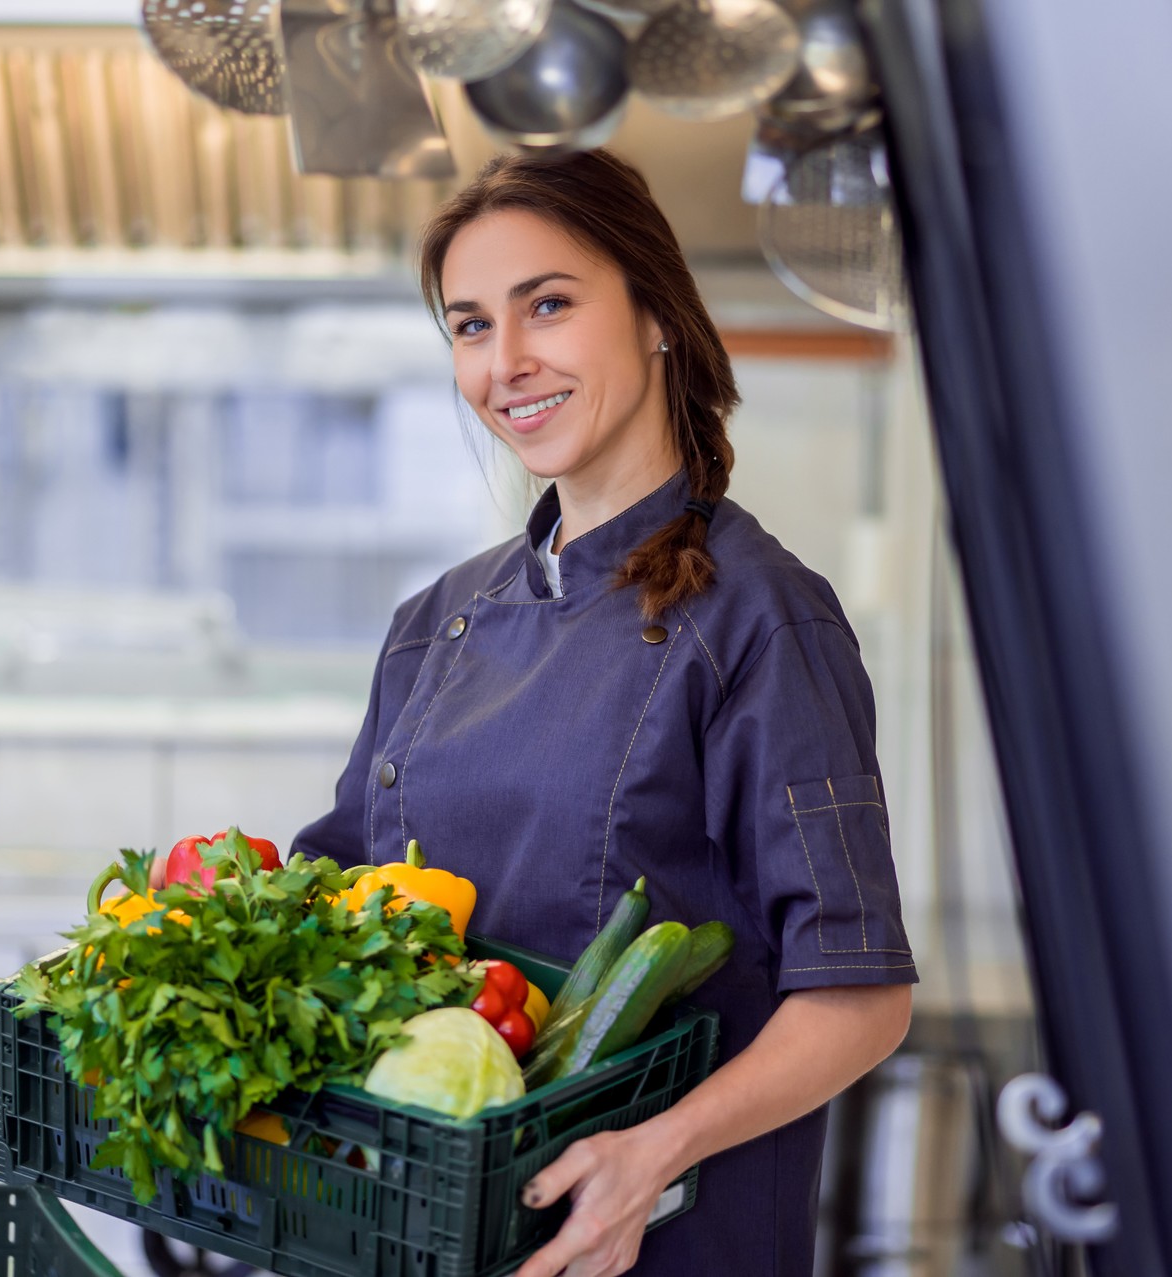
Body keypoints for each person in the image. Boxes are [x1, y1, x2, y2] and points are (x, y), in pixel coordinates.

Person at [289, 148, 917, 1277]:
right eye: (471, 326)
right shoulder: (434, 622)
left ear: (657, 315)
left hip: (668, 1244)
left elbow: (861, 993)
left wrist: (653, 1151)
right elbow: (336, 908)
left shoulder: (764, 624)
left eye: (549, 305)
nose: (507, 361)